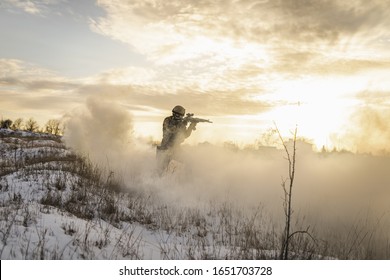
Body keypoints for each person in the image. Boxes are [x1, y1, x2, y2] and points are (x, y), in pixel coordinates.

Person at [156, 105, 196, 174]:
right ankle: (154, 182)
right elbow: (169, 131)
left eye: (181, 116)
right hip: (165, 148)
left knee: (190, 161)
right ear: (174, 113)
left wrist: (191, 126)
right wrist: (181, 124)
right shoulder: (168, 120)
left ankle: (187, 179)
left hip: (176, 148)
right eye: (178, 115)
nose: (179, 117)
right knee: (160, 171)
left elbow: (185, 135)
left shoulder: (181, 123)